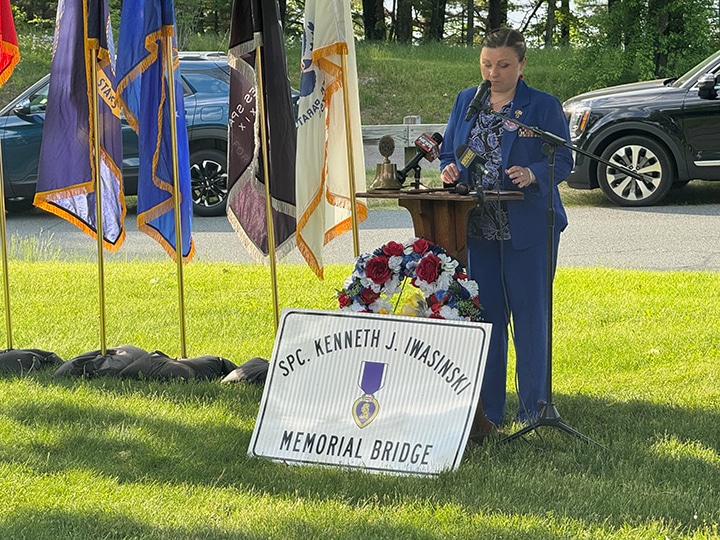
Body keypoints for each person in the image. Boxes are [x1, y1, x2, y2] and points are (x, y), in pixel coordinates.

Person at [439, 27, 573, 429]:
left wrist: (533, 175)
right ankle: (489, 413)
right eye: (486, 64)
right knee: (487, 321)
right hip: (477, 230)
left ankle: (534, 410)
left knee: (531, 321)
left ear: (521, 65)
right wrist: (450, 168)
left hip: (527, 230)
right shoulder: (468, 100)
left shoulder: (542, 106)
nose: (492, 73)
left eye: (502, 65)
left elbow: (563, 159)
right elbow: (452, 149)